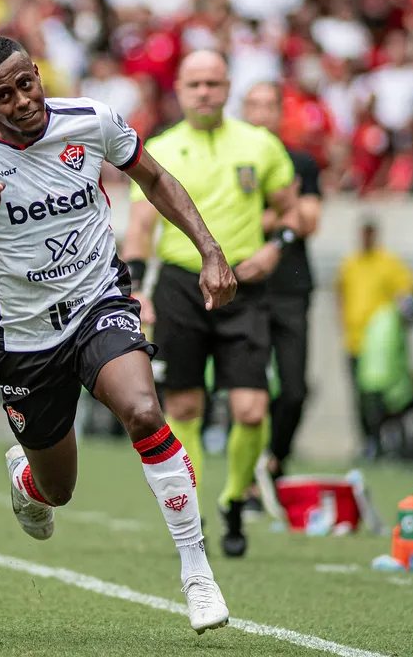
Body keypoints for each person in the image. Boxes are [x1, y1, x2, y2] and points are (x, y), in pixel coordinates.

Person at [0, 36, 237, 635]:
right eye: (3, 95)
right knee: (56, 490)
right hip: (25, 338)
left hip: (99, 303)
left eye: (26, 83)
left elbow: (156, 177)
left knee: (144, 411)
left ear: (37, 74)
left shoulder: (90, 119)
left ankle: (197, 573)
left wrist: (209, 250)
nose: (21, 101)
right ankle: (27, 478)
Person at [123, 51, 299, 558]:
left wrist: (278, 245)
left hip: (243, 285)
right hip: (181, 285)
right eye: (194, 83)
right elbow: (140, 227)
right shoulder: (158, 149)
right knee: (183, 406)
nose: (204, 92)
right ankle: (194, 509)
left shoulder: (260, 145)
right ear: (179, 89)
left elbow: (295, 211)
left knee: (250, 408)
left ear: (227, 88)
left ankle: (233, 500)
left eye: (213, 83)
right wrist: (135, 284)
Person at [241, 81, 323, 483]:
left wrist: (271, 215)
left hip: (291, 286)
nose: (260, 113)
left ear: (279, 112)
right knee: (248, 389)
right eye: (252, 105)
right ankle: (249, 476)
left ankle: (277, 458)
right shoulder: (233, 161)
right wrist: (283, 208)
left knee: (294, 389)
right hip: (247, 289)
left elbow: (310, 220)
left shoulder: (300, 163)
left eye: (268, 105)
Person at [334, 219, 413, 458]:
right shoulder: (350, 263)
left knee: (383, 396)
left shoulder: (388, 263)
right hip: (355, 340)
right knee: (360, 396)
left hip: (380, 348)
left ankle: (386, 440)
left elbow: (406, 294)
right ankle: (368, 441)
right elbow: (339, 292)